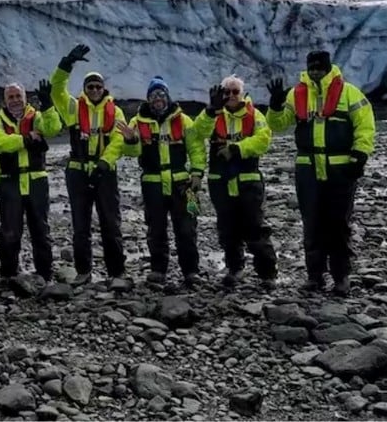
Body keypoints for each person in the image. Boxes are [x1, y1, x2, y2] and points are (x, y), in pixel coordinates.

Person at [265, 50, 375, 296]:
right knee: (312, 224)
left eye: (319, 68)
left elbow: (365, 126)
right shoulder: (297, 95)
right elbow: (277, 125)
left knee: (338, 225)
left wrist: (359, 155)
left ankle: (341, 277)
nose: (315, 72)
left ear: (327, 68)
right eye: (312, 68)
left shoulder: (349, 93)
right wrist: (274, 105)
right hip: (308, 169)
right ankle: (314, 276)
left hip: (340, 169)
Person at [50, 44, 127, 285]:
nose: (94, 90)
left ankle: (116, 272)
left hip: (105, 173)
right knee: (80, 226)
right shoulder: (73, 107)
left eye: (98, 86)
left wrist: (104, 163)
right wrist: (66, 64)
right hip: (78, 173)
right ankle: (83, 272)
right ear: (84, 89)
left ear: (104, 88)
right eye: (90, 86)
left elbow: (118, 140)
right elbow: (56, 90)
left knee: (111, 224)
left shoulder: (115, 112)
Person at [119, 76, 206, 288]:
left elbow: (196, 148)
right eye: (153, 95)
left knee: (188, 227)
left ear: (167, 96)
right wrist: (130, 140)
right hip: (152, 183)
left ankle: (191, 271)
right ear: (148, 99)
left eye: (161, 94)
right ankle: (158, 270)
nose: (157, 98)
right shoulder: (137, 122)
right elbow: (130, 152)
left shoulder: (184, 120)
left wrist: (197, 173)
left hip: (184, 183)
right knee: (155, 228)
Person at [192, 76, 278, 290]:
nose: (230, 96)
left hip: (248, 181)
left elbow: (263, 139)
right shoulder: (212, 115)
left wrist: (237, 148)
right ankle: (235, 268)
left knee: (255, 227)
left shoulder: (254, 115)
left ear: (243, 94)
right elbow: (196, 134)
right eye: (226, 92)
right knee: (227, 228)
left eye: (234, 92)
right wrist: (211, 110)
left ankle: (267, 273)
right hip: (220, 182)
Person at [0, 80, 62, 284]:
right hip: (10, 181)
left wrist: (47, 105)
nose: (15, 100)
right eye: (10, 97)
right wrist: (26, 139)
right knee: (10, 231)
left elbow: (53, 128)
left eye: (18, 96)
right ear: (5, 100)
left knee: (40, 229)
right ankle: (8, 273)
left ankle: (45, 274)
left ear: (25, 98)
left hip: (36, 179)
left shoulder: (37, 117)